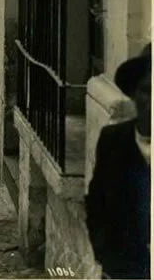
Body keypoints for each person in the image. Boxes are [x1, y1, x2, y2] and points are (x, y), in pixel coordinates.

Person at [86, 45, 151, 280]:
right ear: (134, 94)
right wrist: (106, 257)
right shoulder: (113, 141)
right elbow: (96, 203)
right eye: (147, 90)